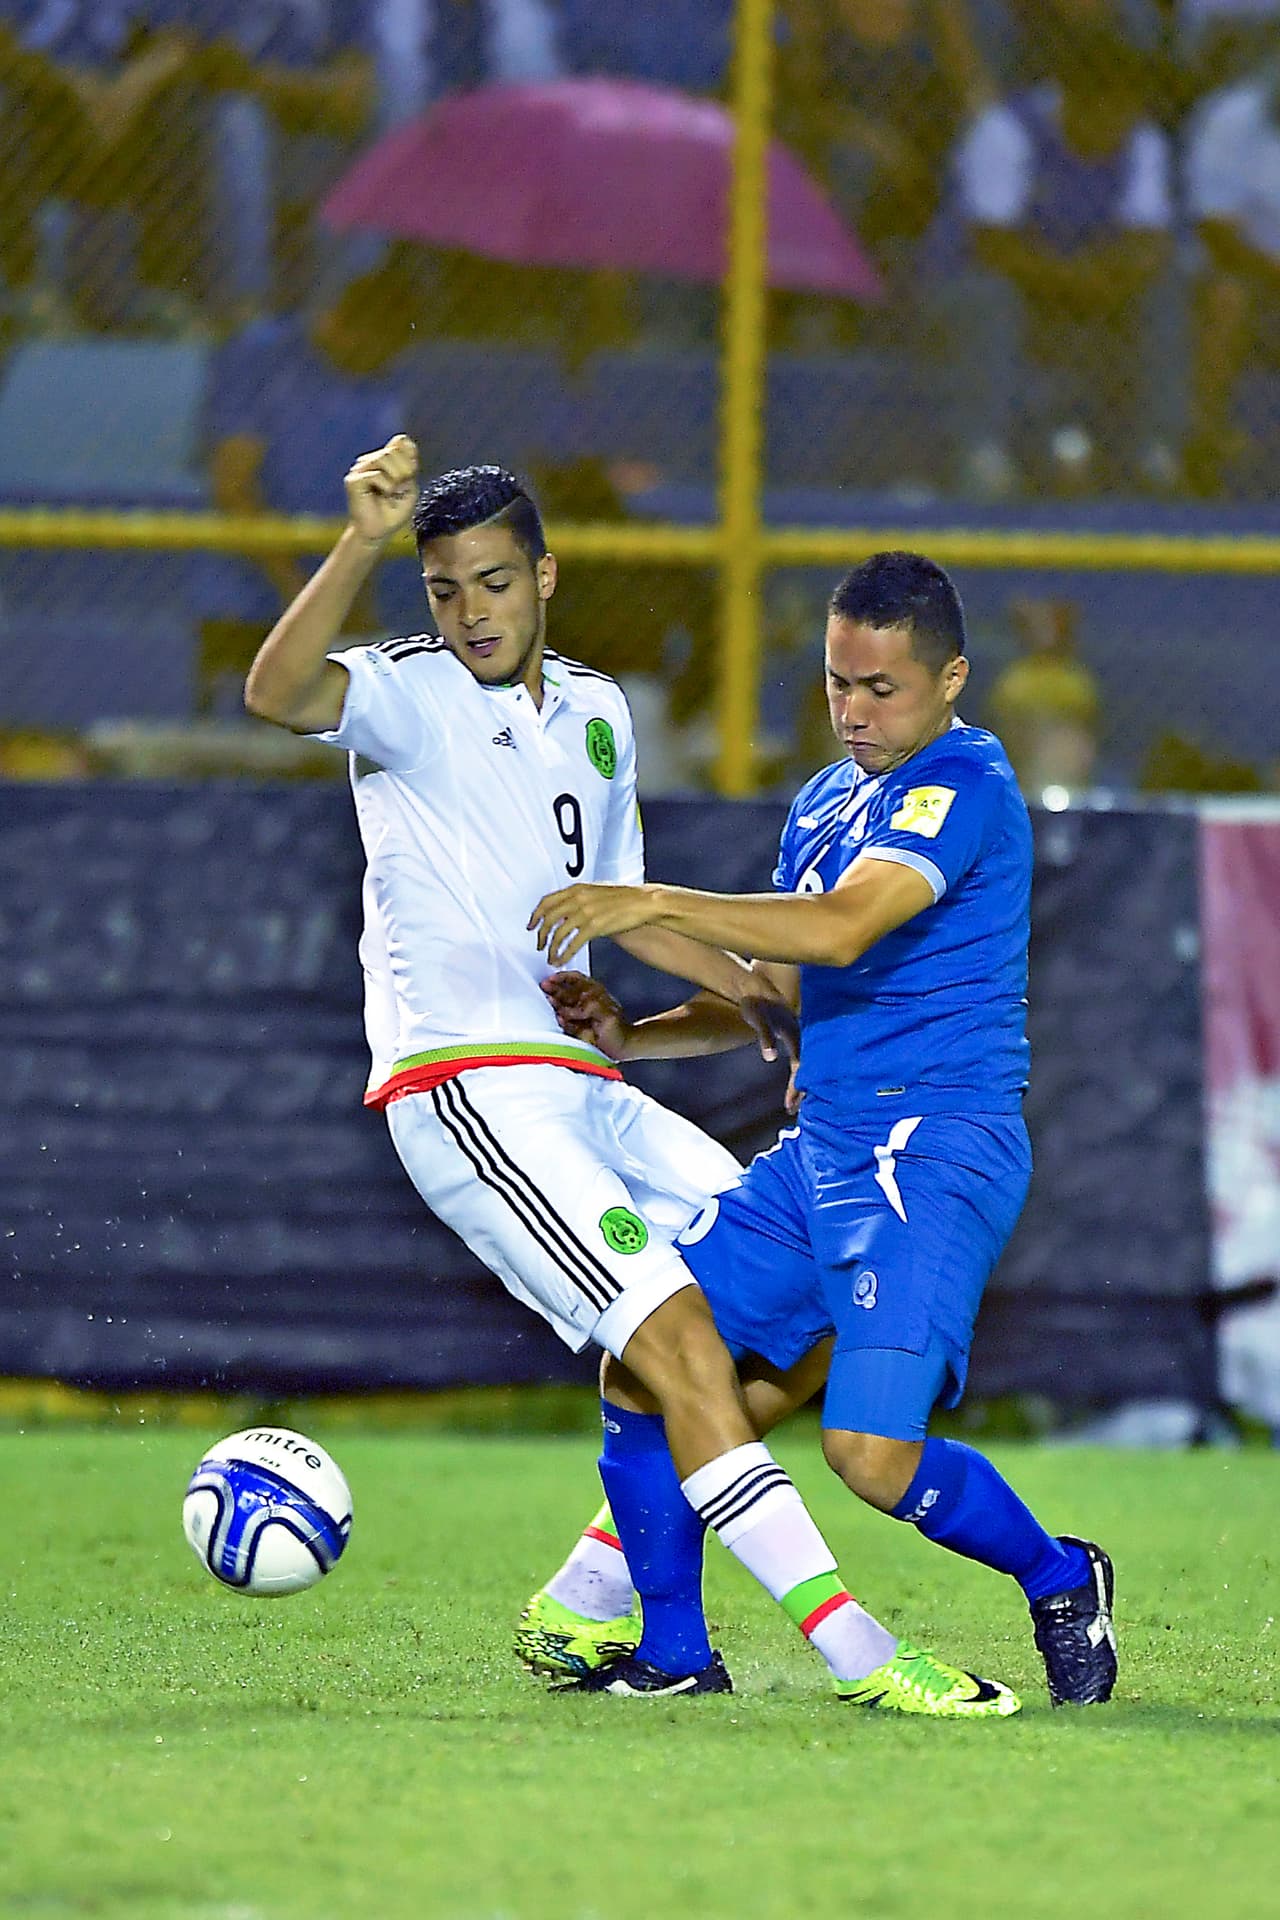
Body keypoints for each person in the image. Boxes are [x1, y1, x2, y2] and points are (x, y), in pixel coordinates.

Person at [243, 443, 1019, 1715]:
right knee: (674, 1343)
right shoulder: (401, 693)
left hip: (583, 1080)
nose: (471, 612)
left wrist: (752, 998)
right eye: (443, 590)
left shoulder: (596, 713)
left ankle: (601, 1604)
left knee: (802, 1293)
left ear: (543, 575)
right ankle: (859, 1659)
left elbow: (625, 915)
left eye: (493, 582)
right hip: (470, 1087)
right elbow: (274, 692)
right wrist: (359, 545)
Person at [522, 551, 1117, 1709]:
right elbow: (781, 992)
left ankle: (1058, 1577)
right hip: (821, 1155)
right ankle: (675, 1655)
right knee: (647, 1362)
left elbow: (841, 929)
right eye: (837, 682)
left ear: (950, 677)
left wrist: (646, 899)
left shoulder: (965, 784)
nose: (852, 709)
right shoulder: (823, 801)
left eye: (881, 687)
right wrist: (634, 1037)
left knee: (867, 1460)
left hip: (930, 1157)